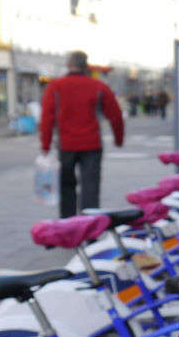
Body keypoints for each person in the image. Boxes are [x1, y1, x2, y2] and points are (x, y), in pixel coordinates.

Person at [40, 50, 124, 218]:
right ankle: (90, 228)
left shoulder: (55, 87)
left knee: (67, 187)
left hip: (66, 145)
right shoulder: (98, 87)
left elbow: (47, 118)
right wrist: (118, 138)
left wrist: (46, 144)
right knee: (91, 187)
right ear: (86, 66)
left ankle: (69, 225)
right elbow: (115, 115)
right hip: (91, 144)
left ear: (68, 65)